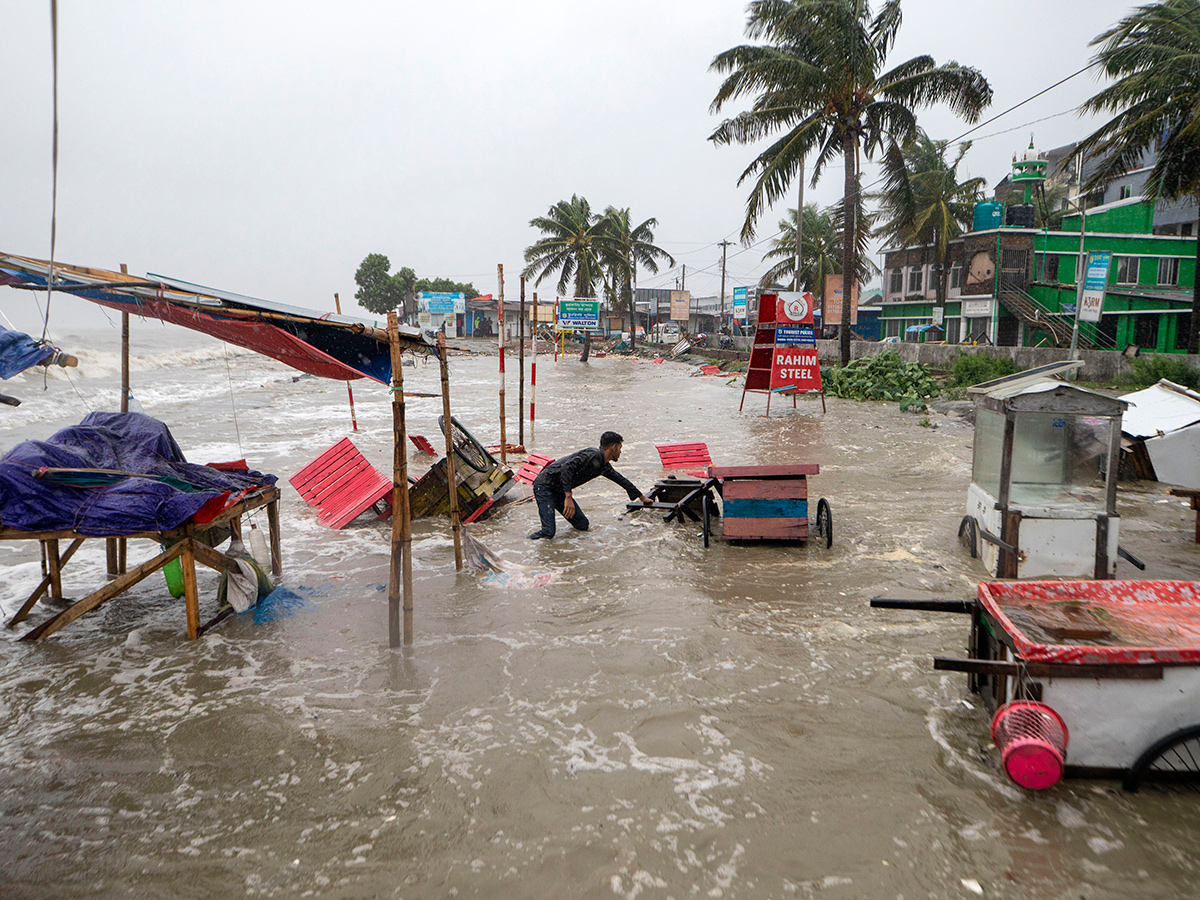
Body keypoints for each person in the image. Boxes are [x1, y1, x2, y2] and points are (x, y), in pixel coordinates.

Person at [528, 431, 650, 539]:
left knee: (582, 525)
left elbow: (621, 480)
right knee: (548, 532)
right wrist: (568, 497)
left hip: (559, 490)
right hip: (544, 486)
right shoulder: (592, 454)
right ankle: (525, 543)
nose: (620, 452)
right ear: (613, 447)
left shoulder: (603, 466)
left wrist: (642, 497)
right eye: (620, 448)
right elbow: (566, 467)